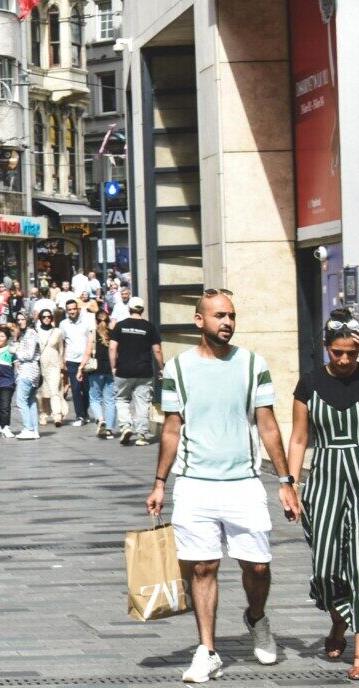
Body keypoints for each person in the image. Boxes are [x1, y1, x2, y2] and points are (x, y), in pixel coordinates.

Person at [146, 289, 295, 683]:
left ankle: (256, 617)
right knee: (202, 566)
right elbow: (172, 429)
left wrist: (285, 481)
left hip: (244, 483)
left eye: (231, 315)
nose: (227, 322)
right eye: (218, 316)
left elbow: (267, 424)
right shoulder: (178, 369)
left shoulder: (252, 364)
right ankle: (207, 650)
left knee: (258, 566)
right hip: (195, 483)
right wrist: (160, 482)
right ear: (200, 321)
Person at [286, 310, 359, 676]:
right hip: (326, 479)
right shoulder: (310, 384)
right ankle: (339, 621)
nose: (345, 360)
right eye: (338, 352)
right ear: (327, 348)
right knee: (327, 566)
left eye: (352, 353)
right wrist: (290, 483)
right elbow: (299, 438)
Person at [112, 297, 163, 446]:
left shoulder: (120, 326)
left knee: (122, 399)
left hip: (123, 370)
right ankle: (141, 435)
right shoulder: (149, 327)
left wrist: (113, 366)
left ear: (129, 308)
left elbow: (112, 347)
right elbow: (157, 350)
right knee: (142, 402)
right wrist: (161, 368)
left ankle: (126, 426)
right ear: (142, 309)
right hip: (144, 370)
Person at [59, 299, 97, 427]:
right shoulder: (63, 324)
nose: (72, 312)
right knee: (75, 389)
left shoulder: (86, 322)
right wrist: (63, 359)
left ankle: (85, 413)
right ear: (67, 311)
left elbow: (91, 340)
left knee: (86, 389)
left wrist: (91, 353)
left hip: (85, 360)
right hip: (71, 360)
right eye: (69, 310)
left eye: (74, 309)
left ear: (78, 309)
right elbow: (62, 343)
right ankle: (79, 416)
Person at [87, 310, 118, 439]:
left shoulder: (92, 334)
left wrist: (80, 368)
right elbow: (116, 351)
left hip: (96, 370)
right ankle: (110, 429)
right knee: (110, 400)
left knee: (95, 398)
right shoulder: (113, 334)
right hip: (110, 370)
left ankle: (100, 420)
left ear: (95, 321)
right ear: (109, 320)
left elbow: (87, 352)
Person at [14, 314, 45, 440]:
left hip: (28, 371)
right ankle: (34, 429)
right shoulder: (26, 334)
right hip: (30, 371)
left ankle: (28, 428)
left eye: (23, 319)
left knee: (21, 400)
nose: (20, 322)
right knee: (30, 400)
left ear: (28, 320)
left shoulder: (31, 333)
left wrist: (16, 352)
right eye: (18, 320)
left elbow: (29, 354)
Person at [36, 309, 68, 426]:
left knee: (55, 390)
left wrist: (62, 365)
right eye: (44, 317)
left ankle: (57, 416)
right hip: (40, 366)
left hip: (54, 365)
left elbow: (61, 349)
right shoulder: (36, 332)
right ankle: (43, 414)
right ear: (40, 318)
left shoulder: (58, 332)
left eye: (49, 316)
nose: (47, 319)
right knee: (41, 393)